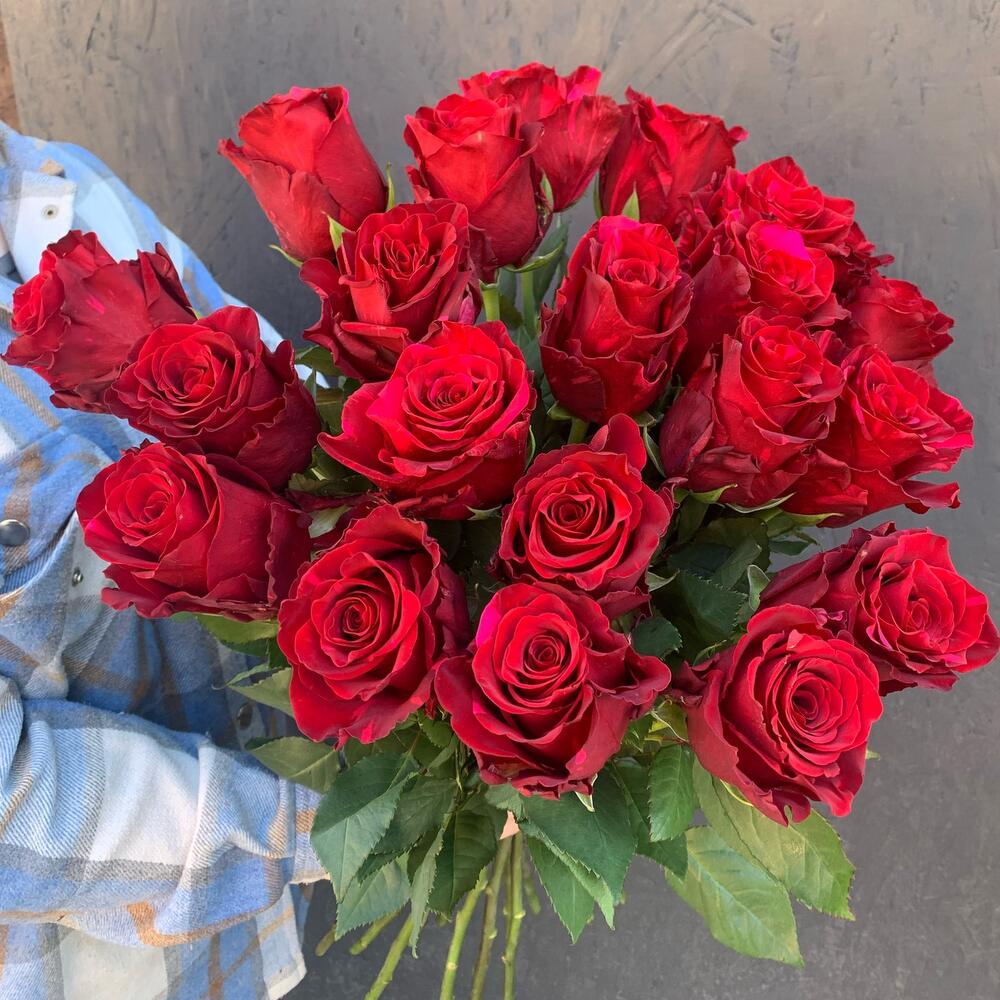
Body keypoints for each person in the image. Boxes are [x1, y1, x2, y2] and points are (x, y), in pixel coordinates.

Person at [0, 121, 325, 1000]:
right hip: (112, 968)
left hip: (251, 910)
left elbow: (263, 377)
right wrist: (326, 827)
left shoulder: (59, 183)